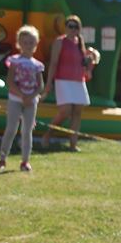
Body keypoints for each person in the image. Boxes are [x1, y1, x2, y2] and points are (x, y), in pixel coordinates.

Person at [40, 15, 94, 152]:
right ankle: (48, 135)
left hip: (78, 80)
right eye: (70, 26)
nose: (73, 29)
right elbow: (53, 63)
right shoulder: (60, 41)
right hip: (63, 80)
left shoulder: (80, 43)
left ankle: (73, 144)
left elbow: (83, 64)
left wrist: (88, 64)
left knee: (77, 112)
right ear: (65, 27)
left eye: (76, 27)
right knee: (65, 111)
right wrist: (49, 83)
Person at [0, 25, 45, 172]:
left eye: (31, 43)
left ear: (36, 44)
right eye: (25, 43)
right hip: (16, 99)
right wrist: (21, 95)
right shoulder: (15, 61)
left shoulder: (37, 65)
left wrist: (31, 96)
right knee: (11, 128)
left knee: (27, 130)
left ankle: (25, 160)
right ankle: (3, 157)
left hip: (31, 101)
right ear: (19, 44)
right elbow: (10, 82)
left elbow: (40, 85)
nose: (28, 46)